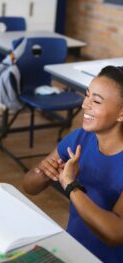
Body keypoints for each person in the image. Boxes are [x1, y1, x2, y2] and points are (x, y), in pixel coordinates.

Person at [23, 65, 123, 262]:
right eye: (87, 95)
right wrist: (44, 173)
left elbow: (115, 234)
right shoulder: (79, 138)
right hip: (72, 251)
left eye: (96, 100)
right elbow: (29, 186)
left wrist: (70, 185)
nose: (85, 104)